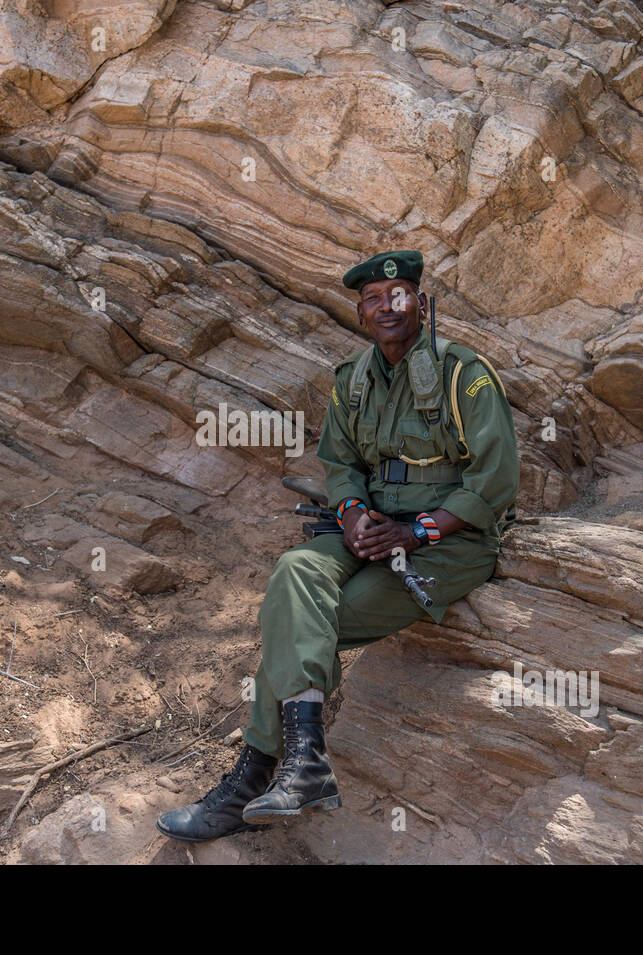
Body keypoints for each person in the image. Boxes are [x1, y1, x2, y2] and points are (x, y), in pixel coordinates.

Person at [155, 249, 520, 842]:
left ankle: (255, 778)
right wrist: (352, 515)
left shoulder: (463, 374)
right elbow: (341, 464)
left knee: (303, 622)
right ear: (360, 313)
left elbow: (496, 481)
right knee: (296, 573)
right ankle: (304, 768)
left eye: (398, 294)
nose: (387, 306)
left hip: (446, 541)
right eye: (373, 299)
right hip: (369, 528)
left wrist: (418, 530)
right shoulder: (352, 379)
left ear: (420, 304)